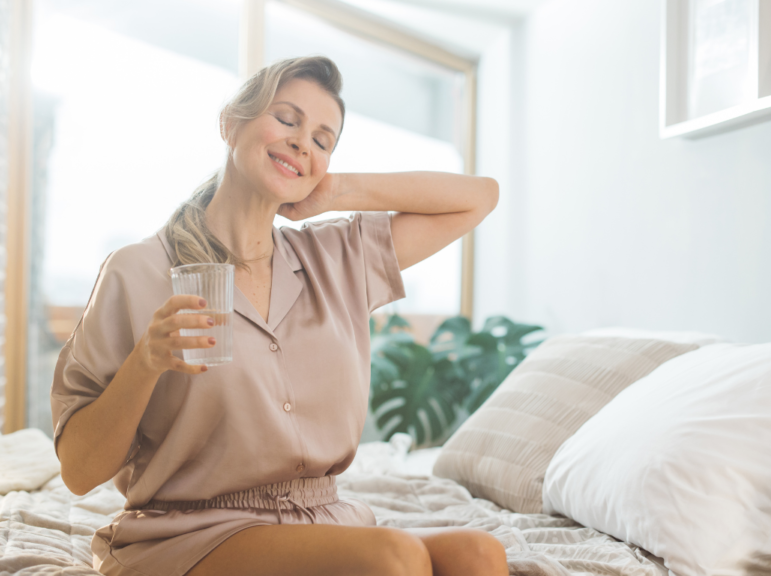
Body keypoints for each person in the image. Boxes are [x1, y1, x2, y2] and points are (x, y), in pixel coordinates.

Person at [50, 56, 504, 576]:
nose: (301, 142)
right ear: (231, 123)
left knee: (479, 553)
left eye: (322, 139)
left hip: (321, 519)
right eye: (287, 120)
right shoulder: (138, 271)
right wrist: (146, 362)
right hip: (192, 532)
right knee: (392, 558)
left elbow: (479, 197)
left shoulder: (336, 258)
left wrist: (335, 190)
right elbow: (80, 471)